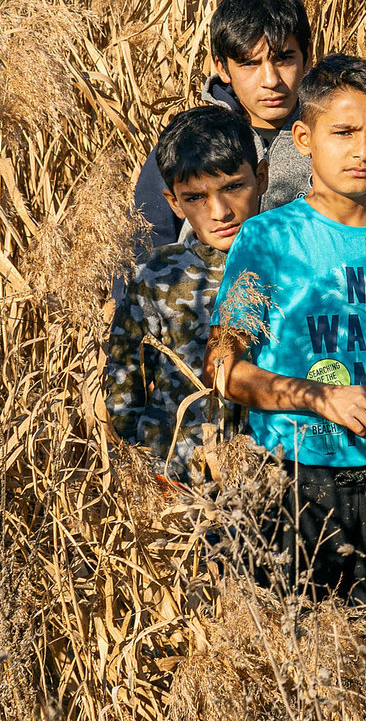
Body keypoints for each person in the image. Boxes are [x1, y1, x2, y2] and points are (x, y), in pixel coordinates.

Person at [205, 55, 366, 622]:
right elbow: (224, 371)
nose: (364, 151)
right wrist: (321, 398)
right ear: (304, 138)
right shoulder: (266, 238)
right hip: (294, 483)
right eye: (343, 133)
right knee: (299, 665)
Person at [130, 0, 366, 256]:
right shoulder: (190, 141)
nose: (271, 80)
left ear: (307, 57)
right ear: (222, 67)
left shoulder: (343, 137)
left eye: (283, 58)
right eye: (249, 63)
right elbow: (144, 250)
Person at [105, 105, 262, 480]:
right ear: (173, 202)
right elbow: (124, 383)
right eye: (196, 197)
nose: (220, 211)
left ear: (262, 177)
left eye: (233, 187)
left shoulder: (292, 265)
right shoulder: (156, 273)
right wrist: (145, 462)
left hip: (272, 476)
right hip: (179, 476)